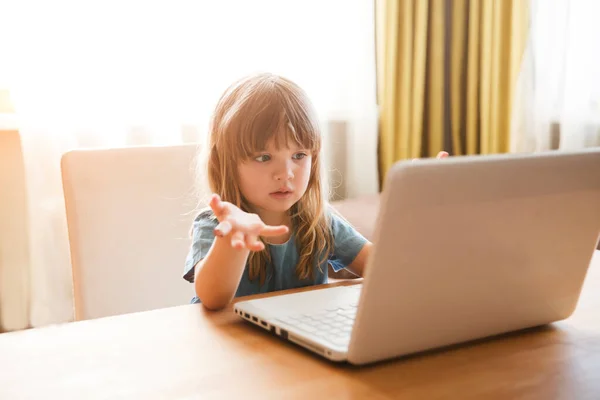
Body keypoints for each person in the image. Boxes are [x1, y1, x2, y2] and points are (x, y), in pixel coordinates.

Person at [182, 72, 447, 310]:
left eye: (299, 155)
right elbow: (212, 298)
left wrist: (414, 212)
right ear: (225, 164)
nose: (286, 173)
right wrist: (232, 242)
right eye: (264, 157)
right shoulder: (217, 226)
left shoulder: (318, 221)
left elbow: (384, 270)